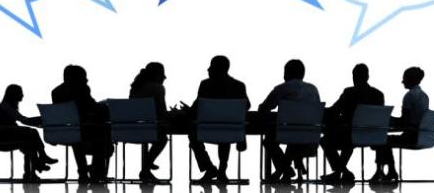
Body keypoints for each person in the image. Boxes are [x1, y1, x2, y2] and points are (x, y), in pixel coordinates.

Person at [182, 55, 250, 183]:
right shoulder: (239, 85)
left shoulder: (205, 85)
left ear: (214, 68)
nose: (208, 69)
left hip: (206, 129)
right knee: (225, 131)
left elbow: (197, 107)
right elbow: (247, 105)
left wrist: (187, 110)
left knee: (192, 135)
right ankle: (222, 170)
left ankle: (209, 168)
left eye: (210, 67)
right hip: (232, 130)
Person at [0, 74, 51, 181]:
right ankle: (39, 161)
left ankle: (33, 169)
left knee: (28, 140)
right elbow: (3, 120)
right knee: (32, 134)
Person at [320, 64, 384, 184]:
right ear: (367, 77)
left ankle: (343, 171)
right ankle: (339, 173)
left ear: (354, 77)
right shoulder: (378, 95)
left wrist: (319, 112)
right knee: (348, 141)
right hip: (372, 136)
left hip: (350, 135)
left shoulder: (349, 92)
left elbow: (334, 110)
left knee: (325, 140)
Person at [258, 59, 321, 182]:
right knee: (293, 137)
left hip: (288, 134)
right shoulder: (313, 89)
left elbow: (264, 108)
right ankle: (285, 169)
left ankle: (285, 168)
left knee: (270, 140)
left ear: (285, 74)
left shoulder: (281, 89)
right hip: (311, 137)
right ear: (303, 74)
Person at [51, 65, 113, 183]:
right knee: (102, 131)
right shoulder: (82, 89)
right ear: (78, 78)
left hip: (65, 130)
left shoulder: (56, 92)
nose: (86, 80)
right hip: (85, 129)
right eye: (84, 77)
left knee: (78, 136)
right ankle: (96, 170)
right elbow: (90, 106)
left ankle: (84, 171)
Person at [370, 67, 429, 183]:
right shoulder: (424, 96)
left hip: (411, 136)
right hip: (422, 135)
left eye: (404, 78)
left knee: (381, 140)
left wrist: (388, 119)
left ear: (410, 79)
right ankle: (384, 171)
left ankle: (386, 171)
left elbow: (404, 122)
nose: (402, 81)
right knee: (383, 140)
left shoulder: (409, 96)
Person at [129, 62, 169, 182]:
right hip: (149, 129)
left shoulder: (135, 87)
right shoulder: (158, 88)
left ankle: (147, 164)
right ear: (158, 75)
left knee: (156, 135)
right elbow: (161, 112)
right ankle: (146, 168)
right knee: (162, 139)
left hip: (131, 129)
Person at [0, 84, 58, 163]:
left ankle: (37, 164)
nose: (22, 95)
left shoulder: (6, 105)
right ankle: (42, 157)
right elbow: (23, 120)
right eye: (20, 93)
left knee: (30, 144)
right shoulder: (6, 106)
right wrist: (41, 120)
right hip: (7, 134)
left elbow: (23, 120)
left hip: (8, 132)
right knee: (33, 133)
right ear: (13, 94)